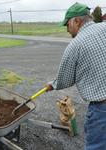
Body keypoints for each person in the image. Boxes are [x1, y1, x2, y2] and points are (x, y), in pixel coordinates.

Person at [46, 2, 106, 150]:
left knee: (96, 147)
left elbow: (65, 79)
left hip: (102, 109)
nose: (67, 30)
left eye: (67, 25)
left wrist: (52, 84)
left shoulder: (75, 45)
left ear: (77, 21)